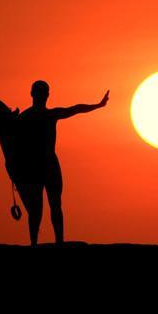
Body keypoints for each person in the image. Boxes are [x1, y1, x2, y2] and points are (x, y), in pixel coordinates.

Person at [14, 80, 109, 245]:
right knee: (46, 207)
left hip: (43, 166)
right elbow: (75, 108)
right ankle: (48, 243)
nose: (42, 96)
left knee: (46, 207)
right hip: (42, 165)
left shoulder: (27, 117)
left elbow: (76, 108)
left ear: (33, 94)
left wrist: (98, 105)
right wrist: (98, 105)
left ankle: (44, 243)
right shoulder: (37, 116)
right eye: (42, 93)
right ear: (45, 95)